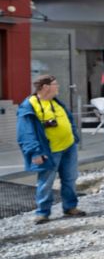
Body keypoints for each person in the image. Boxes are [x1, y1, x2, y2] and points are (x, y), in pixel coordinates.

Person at [16, 75, 86, 224]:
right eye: (55, 84)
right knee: (46, 182)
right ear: (46, 87)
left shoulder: (56, 102)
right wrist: (35, 152)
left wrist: (74, 137)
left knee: (70, 178)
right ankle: (42, 212)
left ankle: (70, 207)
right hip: (49, 152)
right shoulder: (29, 106)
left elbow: (68, 119)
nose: (58, 87)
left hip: (68, 147)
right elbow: (26, 133)